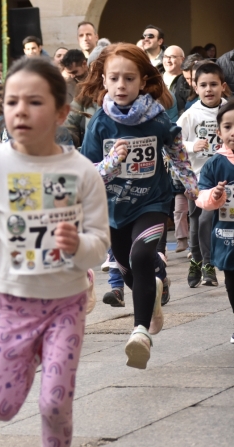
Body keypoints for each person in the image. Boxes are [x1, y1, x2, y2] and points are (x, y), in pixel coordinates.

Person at [0, 57, 109, 447]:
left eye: (34, 102)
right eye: (12, 101)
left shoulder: (82, 172)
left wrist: (78, 246)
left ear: (60, 112)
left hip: (66, 302)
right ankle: (24, 354)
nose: (20, 110)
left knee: (55, 401)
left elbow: (101, 245)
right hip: (14, 306)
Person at [78, 43, 198, 369]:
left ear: (143, 81)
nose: (121, 85)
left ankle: (140, 333)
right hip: (114, 212)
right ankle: (154, 295)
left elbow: (178, 155)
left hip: (152, 203)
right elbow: (86, 174)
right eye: (114, 78)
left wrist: (194, 191)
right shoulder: (99, 124)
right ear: (103, 80)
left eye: (129, 78)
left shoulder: (158, 120)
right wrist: (112, 163)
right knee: (130, 272)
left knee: (142, 255)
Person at [177, 62, 229, 288]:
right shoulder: (190, 115)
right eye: (203, 85)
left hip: (226, 176)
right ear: (195, 88)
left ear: (223, 86)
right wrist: (191, 145)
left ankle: (210, 261)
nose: (209, 89)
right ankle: (199, 261)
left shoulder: (228, 109)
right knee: (198, 221)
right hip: (198, 179)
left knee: (217, 220)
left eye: (214, 84)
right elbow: (173, 142)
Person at [193, 101, 234, 343]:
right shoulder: (215, 163)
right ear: (219, 132)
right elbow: (201, 196)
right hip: (228, 235)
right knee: (232, 280)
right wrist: (215, 196)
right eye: (228, 127)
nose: (233, 132)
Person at [162, 46, 188, 115]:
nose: (168, 60)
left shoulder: (186, 80)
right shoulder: (156, 78)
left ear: (183, 60)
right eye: (165, 57)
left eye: (172, 57)